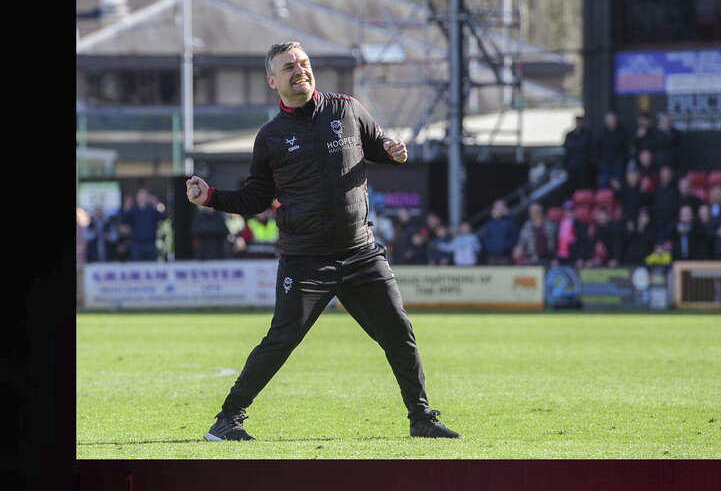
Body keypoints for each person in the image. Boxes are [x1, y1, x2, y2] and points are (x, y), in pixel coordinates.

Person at [184, 41, 459, 441]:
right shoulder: (271, 138)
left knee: (398, 331)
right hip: (306, 259)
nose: (300, 70)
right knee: (282, 340)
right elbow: (255, 197)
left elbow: (377, 144)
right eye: (288, 67)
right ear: (272, 81)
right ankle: (228, 419)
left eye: (303, 63)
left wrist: (391, 150)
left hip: (361, 253)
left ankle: (421, 419)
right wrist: (211, 197)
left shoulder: (346, 108)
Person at [120, 188, 166, 262]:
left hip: (150, 243)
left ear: (148, 198)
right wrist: (126, 209)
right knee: (137, 267)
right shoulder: (133, 210)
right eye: (141, 197)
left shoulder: (152, 210)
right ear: (137, 198)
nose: (142, 199)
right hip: (137, 244)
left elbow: (163, 217)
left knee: (152, 266)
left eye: (144, 197)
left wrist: (156, 205)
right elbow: (124, 221)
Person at [513, 202, 557, 266]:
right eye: (533, 212)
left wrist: (556, 258)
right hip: (533, 260)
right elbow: (521, 242)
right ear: (530, 214)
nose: (536, 214)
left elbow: (556, 241)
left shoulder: (550, 225)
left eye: (537, 211)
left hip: (549, 260)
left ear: (541, 212)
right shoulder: (526, 227)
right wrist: (518, 252)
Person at [595, 111, 629, 190]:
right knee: (603, 184)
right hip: (604, 162)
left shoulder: (622, 132)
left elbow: (625, 148)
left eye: (613, 121)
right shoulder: (602, 133)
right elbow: (598, 148)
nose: (612, 123)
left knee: (617, 185)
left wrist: (622, 160)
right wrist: (599, 160)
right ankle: (603, 201)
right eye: (610, 122)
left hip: (617, 162)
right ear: (606, 122)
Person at [561, 114, 594, 195]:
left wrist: (576, 146)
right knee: (572, 187)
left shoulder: (587, 134)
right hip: (572, 165)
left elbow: (585, 145)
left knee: (583, 185)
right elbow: (566, 146)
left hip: (584, 165)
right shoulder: (570, 134)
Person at [479, 199, 519, 265]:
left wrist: (505, 247)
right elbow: (486, 238)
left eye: (501, 207)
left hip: (505, 255)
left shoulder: (510, 221)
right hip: (492, 256)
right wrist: (490, 248)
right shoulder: (490, 223)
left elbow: (514, 236)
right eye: (497, 207)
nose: (499, 209)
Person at [649, 165, 683, 241]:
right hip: (656, 222)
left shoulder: (675, 190)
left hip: (671, 222)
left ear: (671, 175)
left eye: (667, 174)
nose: (665, 176)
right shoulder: (656, 189)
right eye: (663, 174)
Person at [552, 200, 590, 268]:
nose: (568, 213)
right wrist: (555, 257)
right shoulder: (559, 225)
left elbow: (584, 242)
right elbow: (556, 241)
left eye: (570, 210)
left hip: (574, 259)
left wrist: (581, 258)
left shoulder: (580, 225)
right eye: (566, 211)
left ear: (574, 211)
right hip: (561, 258)